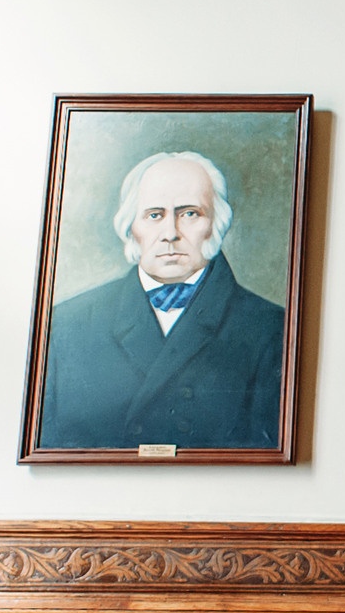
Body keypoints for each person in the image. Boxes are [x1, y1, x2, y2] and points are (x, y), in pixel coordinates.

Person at [39, 149, 286, 449]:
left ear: (217, 224)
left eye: (189, 214)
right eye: (154, 215)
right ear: (131, 227)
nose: (170, 233)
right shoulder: (65, 324)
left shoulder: (271, 328)